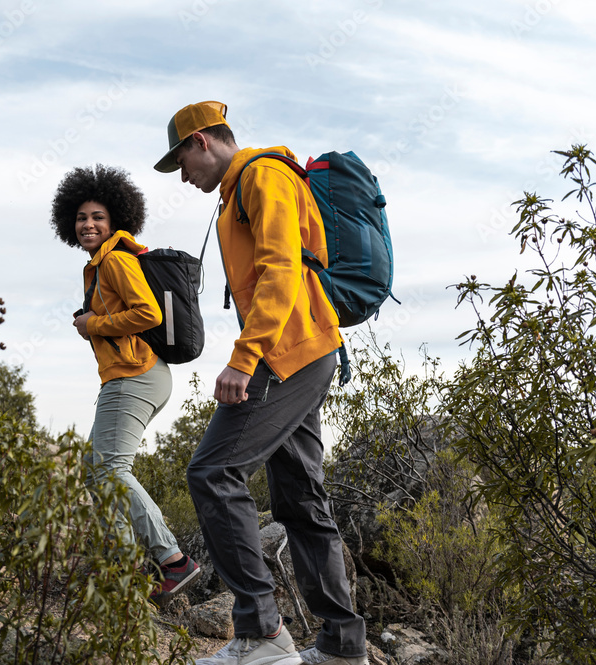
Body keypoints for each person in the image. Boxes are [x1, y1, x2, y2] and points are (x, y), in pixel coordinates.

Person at [154, 102, 368, 665]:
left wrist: (245, 359)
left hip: (287, 352)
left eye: (180, 161)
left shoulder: (262, 175)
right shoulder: (240, 189)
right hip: (305, 349)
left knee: (212, 471)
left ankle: (262, 633)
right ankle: (343, 647)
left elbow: (281, 270)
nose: (182, 176)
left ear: (201, 141)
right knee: (300, 499)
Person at [50, 164, 200, 604]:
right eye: (81, 218)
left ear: (115, 219)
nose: (88, 224)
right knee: (95, 470)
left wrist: (93, 324)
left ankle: (173, 561)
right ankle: (123, 567)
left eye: (97, 217)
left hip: (135, 375)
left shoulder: (115, 259)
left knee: (112, 469)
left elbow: (148, 312)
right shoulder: (99, 265)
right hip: (134, 375)